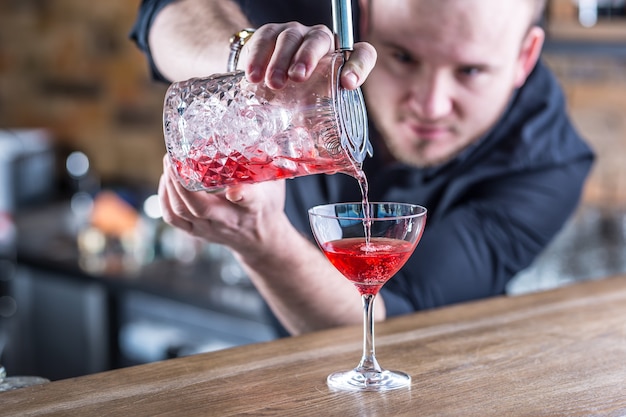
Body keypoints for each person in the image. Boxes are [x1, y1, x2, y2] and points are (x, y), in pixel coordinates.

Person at [130, 0, 594, 336]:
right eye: (404, 57)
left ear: (525, 57)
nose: (430, 105)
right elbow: (164, 13)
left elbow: (393, 322)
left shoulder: (547, 165)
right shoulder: (322, 31)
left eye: (470, 71)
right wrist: (246, 58)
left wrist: (262, 240)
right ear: (365, 17)